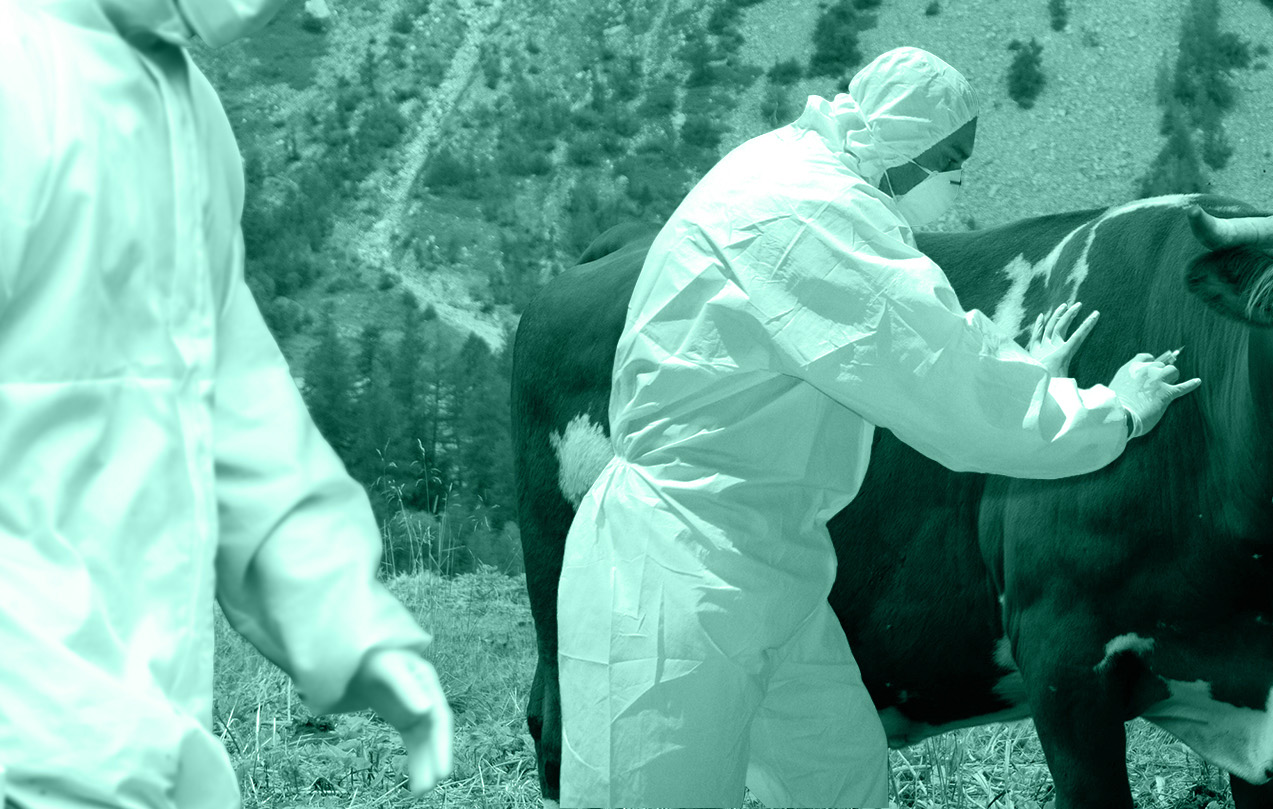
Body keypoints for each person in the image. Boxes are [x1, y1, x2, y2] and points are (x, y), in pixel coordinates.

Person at [556, 46, 1199, 808]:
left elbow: (908, 342)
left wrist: (1020, 370)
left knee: (840, 777)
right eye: (950, 161)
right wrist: (1113, 411)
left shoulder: (802, 172)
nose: (957, 182)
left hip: (771, 562)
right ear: (900, 140)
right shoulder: (814, 214)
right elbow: (941, 379)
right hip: (676, 572)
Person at [0, 1, 454, 806]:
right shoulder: (17, 82)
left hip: (137, 738)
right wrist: (71, 722)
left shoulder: (187, 118)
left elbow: (236, 409)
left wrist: (342, 617)